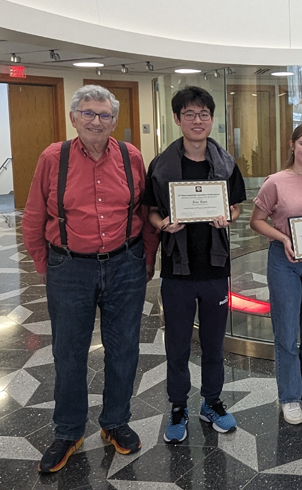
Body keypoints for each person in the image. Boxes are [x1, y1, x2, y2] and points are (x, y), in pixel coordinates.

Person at [22, 85, 159, 473]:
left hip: (124, 263)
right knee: (68, 353)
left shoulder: (131, 156)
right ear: (73, 118)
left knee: (124, 348)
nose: (96, 121)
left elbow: (142, 209)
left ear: (114, 121)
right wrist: (43, 263)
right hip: (71, 268)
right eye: (88, 113)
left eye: (104, 115)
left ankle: (115, 421)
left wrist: (146, 257)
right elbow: (34, 215)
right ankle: (68, 431)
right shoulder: (54, 157)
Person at [144, 86, 246, 442]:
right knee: (177, 344)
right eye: (189, 114)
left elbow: (235, 205)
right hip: (178, 269)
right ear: (177, 119)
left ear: (212, 119)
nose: (197, 120)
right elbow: (152, 210)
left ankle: (212, 402)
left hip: (215, 268)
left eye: (203, 114)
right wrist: (162, 225)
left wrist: (227, 217)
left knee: (215, 344)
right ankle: (177, 405)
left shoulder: (226, 163)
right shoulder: (161, 165)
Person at [250, 122, 302, 424]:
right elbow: (257, 220)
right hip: (284, 260)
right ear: (292, 145)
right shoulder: (276, 182)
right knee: (286, 331)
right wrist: (283, 238)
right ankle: (289, 395)